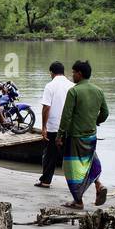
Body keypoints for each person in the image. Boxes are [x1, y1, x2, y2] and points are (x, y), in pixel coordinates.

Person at [56, 59, 109, 208]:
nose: (72, 75)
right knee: (90, 161)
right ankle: (98, 184)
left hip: (75, 137)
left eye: (73, 72)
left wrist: (60, 135)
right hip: (91, 136)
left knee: (71, 169)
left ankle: (78, 200)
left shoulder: (74, 91)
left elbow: (66, 116)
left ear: (79, 73)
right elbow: (105, 113)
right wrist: (95, 121)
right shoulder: (98, 91)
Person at [35, 60, 73, 188]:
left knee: (50, 154)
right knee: (70, 156)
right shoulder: (72, 86)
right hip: (68, 127)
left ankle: (46, 181)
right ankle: (74, 183)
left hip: (53, 127)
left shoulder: (50, 86)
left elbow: (46, 107)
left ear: (51, 72)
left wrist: (44, 127)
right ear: (63, 72)